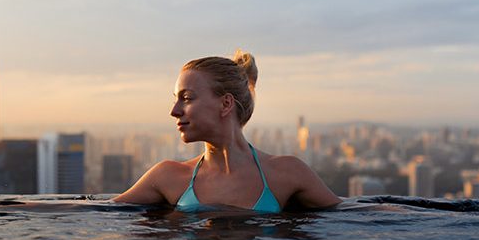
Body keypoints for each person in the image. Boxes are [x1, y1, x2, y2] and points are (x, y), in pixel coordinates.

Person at [114, 50, 342, 212]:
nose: (174, 111)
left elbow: (355, 212)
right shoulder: (167, 177)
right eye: (176, 100)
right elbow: (99, 211)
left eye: (186, 98)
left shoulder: (288, 173)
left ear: (225, 104)